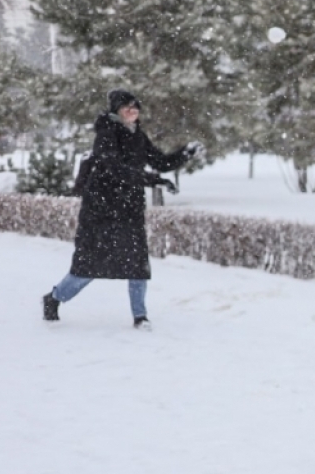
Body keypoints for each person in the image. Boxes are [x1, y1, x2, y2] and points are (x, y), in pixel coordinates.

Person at [42, 90, 199, 329]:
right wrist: (152, 180)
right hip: (101, 210)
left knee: (137, 266)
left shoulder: (138, 135)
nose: (132, 111)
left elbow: (159, 161)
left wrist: (184, 155)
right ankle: (54, 298)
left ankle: (140, 316)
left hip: (129, 209)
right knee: (89, 267)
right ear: (116, 110)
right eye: (127, 107)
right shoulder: (106, 134)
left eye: (135, 107)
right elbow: (114, 169)